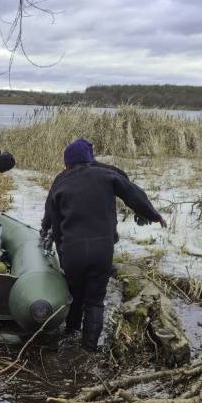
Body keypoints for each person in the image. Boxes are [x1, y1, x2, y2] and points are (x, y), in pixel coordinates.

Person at [42, 139, 166, 351]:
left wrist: (51, 239)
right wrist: (153, 215)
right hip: (102, 248)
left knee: (75, 295)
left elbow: (51, 217)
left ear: (68, 162)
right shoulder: (106, 175)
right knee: (95, 300)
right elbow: (133, 194)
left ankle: (70, 333)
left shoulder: (60, 181)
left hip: (73, 250)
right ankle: (88, 350)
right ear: (89, 159)